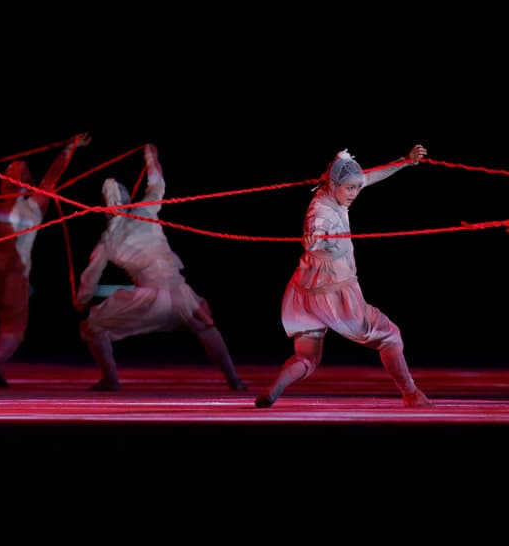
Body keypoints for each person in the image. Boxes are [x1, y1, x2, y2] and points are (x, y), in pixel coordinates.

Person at [255, 146, 432, 408]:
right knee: (390, 335)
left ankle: (274, 389)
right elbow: (315, 230)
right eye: (350, 188)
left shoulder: (333, 191)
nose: (355, 193)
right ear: (335, 183)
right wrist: (312, 240)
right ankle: (411, 394)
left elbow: (369, 177)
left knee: (307, 358)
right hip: (333, 295)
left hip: (304, 293)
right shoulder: (321, 212)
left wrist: (405, 162)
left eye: (356, 188)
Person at [73, 143, 246, 392]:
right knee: (205, 327)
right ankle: (234, 380)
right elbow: (157, 183)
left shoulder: (108, 241)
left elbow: (90, 277)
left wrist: (82, 300)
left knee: (91, 326)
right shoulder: (144, 212)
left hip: (151, 299)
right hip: (181, 295)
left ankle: (110, 378)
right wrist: (150, 156)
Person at [0, 132, 90, 388]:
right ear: (28, 184)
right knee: (13, 324)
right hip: (14, 276)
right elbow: (52, 178)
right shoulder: (34, 206)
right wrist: (68, 149)